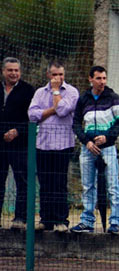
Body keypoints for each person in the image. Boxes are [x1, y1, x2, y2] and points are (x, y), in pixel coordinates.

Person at [70, 65, 119, 234]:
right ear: (90, 79)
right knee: (88, 185)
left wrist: (108, 137)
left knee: (112, 185)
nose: (102, 82)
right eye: (98, 78)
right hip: (88, 148)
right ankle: (87, 221)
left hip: (107, 148)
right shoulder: (83, 99)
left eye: (104, 78)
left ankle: (115, 221)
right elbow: (76, 124)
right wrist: (86, 141)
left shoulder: (113, 97)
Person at [27, 61, 78, 232]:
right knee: (45, 183)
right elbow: (32, 115)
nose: (58, 78)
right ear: (48, 75)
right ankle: (45, 219)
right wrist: (52, 109)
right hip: (43, 144)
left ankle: (61, 220)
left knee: (59, 182)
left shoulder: (71, 92)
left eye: (61, 75)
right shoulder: (40, 92)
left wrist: (56, 92)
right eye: (55, 75)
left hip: (63, 144)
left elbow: (63, 110)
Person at [0, 57, 35, 229]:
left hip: (20, 144)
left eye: (16, 70)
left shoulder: (28, 90)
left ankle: (20, 218)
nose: (13, 73)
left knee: (23, 181)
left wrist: (17, 131)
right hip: (1, 144)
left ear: (20, 72)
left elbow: (32, 117)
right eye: (10, 70)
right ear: (3, 71)